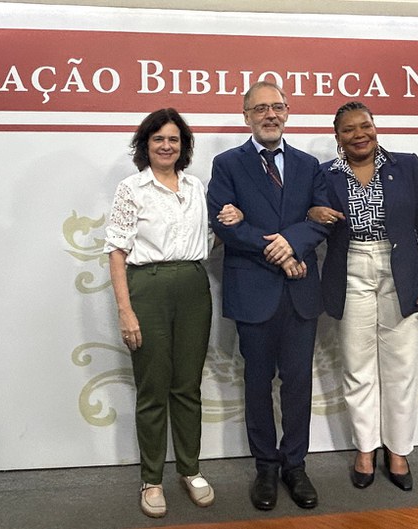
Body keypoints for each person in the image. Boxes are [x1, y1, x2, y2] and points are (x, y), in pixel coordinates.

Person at [104, 108, 240, 518]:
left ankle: (190, 469)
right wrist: (126, 312)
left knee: (187, 385)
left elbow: (208, 241)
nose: (166, 146)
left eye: (174, 140)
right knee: (152, 388)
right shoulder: (132, 188)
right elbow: (116, 251)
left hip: (194, 287)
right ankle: (151, 479)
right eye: (159, 139)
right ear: (145, 145)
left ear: (184, 147)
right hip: (148, 287)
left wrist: (233, 220)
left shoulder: (196, 187)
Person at [309, 101, 418, 491]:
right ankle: (366, 449)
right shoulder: (324, 175)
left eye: (365, 126)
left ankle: (398, 451)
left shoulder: (407, 165)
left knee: (401, 366)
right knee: (358, 366)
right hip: (350, 268)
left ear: (375, 128)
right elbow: (311, 216)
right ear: (338, 137)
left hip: (400, 269)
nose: (359, 134)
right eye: (349, 129)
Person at [207, 81, 331, 511]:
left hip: (299, 292)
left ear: (288, 112)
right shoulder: (227, 164)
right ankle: (265, 466)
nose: (270, 114)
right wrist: (275, 250)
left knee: (297, 383)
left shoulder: (309, 164)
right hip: (253, 290)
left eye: (277, 106)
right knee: (257, 383)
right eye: (260, 108)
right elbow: (223, 223)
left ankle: (295, 465)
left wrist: (292, 242)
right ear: (246, 116)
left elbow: (322, 217)